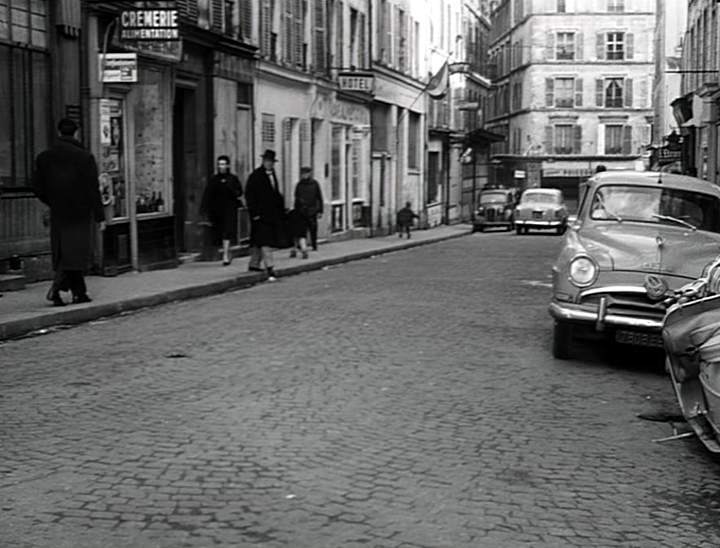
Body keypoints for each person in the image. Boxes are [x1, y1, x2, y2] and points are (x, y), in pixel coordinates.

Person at [32, 118, 105, 306]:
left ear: (58, 133)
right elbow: (92, 188)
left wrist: (52, 201)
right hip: (80, 211)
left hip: (58, 211)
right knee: (75, 253)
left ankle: (78, 293)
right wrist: (99, 215)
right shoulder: (84, 157)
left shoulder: (44, 157)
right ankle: (59, 289)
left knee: (65, 251)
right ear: (77, 132)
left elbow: (37, 187)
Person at [245, 149, 286, 281]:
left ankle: (254, 264)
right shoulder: (256, 176)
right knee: (265, 241)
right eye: (267, 161)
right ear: (263, 161)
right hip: (260, 214)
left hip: (271, 215)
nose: (269, 164)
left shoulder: (273, 174)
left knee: (259, 240)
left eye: (271, 162)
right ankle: (270, 268)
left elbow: (275, 194)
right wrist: (254, 213)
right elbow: (250, 195)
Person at [200, 155, 244, 265]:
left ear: (228, 165)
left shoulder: (233, 178)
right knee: (220, 232)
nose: (221, 167)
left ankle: (225, 254)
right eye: (220, 164)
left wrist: (233, 191)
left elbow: (239, 191)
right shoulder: (214, 179)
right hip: (217, 210)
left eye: (223, 164)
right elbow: (208, 194)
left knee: (227, 231)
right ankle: (227, 252)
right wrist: (204, 209)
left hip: (229, 209)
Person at [294, 166, 324, 251]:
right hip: (301, 210)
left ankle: (314, 244)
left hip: (312, 210)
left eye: (306, 173)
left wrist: (320, 210)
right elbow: (296, 197)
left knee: (313, 228)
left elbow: (319, 197)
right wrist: (296, 210)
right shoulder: (299, 185)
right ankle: (302, 245)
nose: (304, 175)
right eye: (303, 174)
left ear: (309, 174)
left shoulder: (314, 184)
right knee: (302, 229)